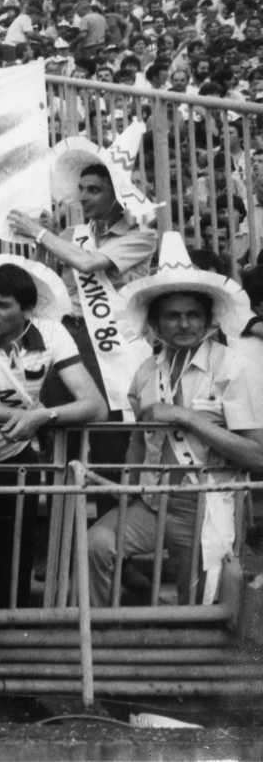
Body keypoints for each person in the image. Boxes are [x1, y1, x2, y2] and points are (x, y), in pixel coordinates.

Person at [87, 232, 263, 606]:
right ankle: (101, 645)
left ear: (208, 319)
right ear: (155, 322)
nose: (184, 324)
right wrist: (127, 489)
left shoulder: (232, 367)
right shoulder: (147, 371)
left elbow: (258, 456)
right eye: (172, 315)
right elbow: (139, 440)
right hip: (152, 502)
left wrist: (188, 418)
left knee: (201, 602)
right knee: (96, 544)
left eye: (193, 315)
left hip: (206, 506)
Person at [0, 257, 106, 608]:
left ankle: (12, 644)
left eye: (3, 304)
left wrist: (44, 415)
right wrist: (29, 417)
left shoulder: (50, 332)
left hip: (15, 459)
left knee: (13, 564)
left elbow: (94, 404)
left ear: (27, 309)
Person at [8, 151, 156, 412]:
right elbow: (37, 282)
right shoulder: (72, 234)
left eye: (94, 190)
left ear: (117, 194)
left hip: (111, 337)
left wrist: (40, 232)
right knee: (58, 411)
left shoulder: (142, 237)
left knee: (111, 412)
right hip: (67, 331)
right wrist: (43, 242)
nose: (84, 197)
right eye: (81, 189)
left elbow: (88, 263)